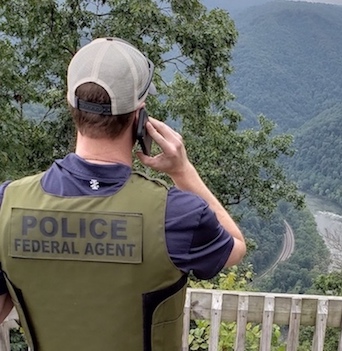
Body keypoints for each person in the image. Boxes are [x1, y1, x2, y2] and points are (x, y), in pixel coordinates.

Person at [0, 37, 246, 351]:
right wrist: (181, 170)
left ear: (71, 104)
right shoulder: (176, 215)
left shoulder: (7, 205)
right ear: (139, 116)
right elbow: (235, 247)